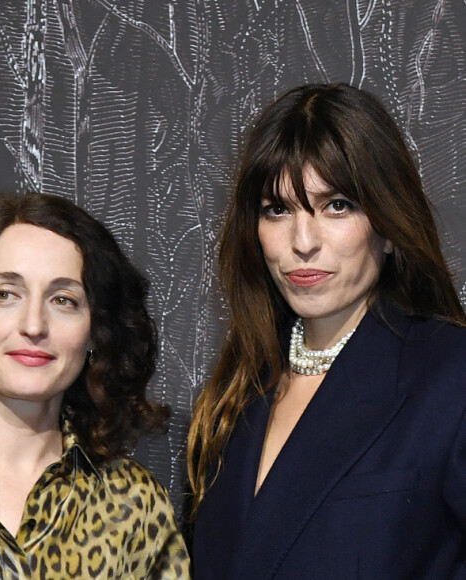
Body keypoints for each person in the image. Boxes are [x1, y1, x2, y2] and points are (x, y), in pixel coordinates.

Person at [188, 83, 466, 579]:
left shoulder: (450, 374)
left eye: (337, 205)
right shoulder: (232, 397)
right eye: (278, 209)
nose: (303, 242)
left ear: (387, 226)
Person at [0, 192, 190, 579]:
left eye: (63, 300)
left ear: (95, 330)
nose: (34, 325)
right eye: (5, 295)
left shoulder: (134, 503)